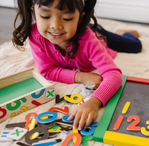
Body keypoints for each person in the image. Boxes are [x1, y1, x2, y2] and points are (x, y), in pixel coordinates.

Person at [12, 0, 123, 131]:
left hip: (98, 36)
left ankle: (122, 32)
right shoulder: (35, 34)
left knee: (135, 45)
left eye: (67, 18)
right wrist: (81, 77)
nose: (55, 25)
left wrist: (94, 102)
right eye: (45, 16)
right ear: (34, 13)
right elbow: (47, 71)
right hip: (80, 28)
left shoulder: (88, 39)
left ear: (79, 17)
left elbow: (114, 74)